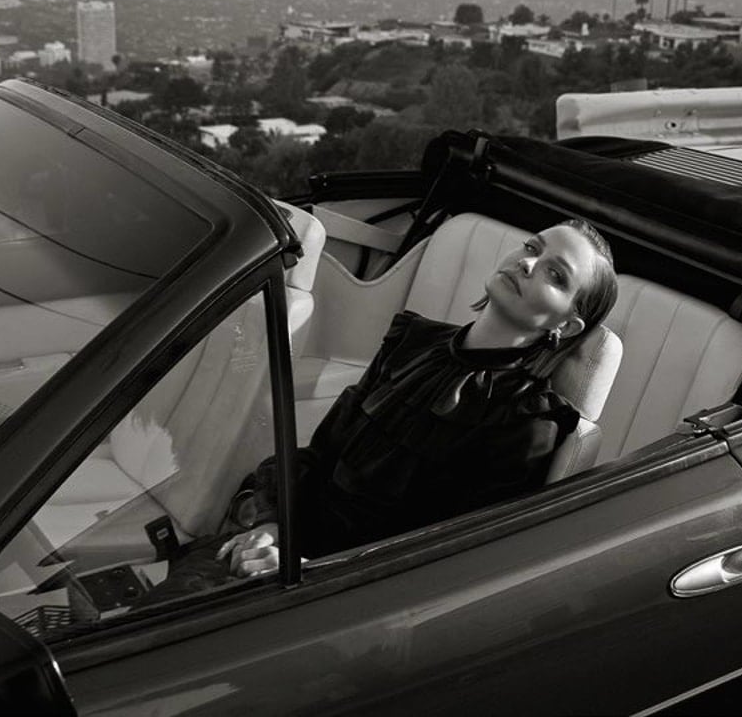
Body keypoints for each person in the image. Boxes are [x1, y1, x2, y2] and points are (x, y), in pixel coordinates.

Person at [217, 218, 619, 577]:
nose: (528, 263)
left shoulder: (527, 421)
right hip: (278, 550)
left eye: (555, 274)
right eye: (532, 247)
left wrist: (306, 572)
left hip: (344, 592)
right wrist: (273, 525)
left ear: (567, 326)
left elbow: (443, 561)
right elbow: (321, 454)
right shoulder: (412, 340)